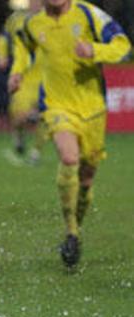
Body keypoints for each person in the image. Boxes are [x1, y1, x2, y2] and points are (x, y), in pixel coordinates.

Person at [8, 0, 131, 267]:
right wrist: (17, 72)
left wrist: (95, 50)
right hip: (56, 105)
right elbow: (22, 45)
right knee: (69, 158)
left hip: (93, 109)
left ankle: (76, 230)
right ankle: (71, 232)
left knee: (86, 178)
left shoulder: (87, 13)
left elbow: (122, 45)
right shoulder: (33, 23)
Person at [0, 0, 47, 164]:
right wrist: (1, 55)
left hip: (47, 76)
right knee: (19, 116)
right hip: (23, 77)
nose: (35, 4)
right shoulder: (16, 19)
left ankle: (36, 152)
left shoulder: (53, 19)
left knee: (46, 116)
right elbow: (3, 38)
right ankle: (19, 135)